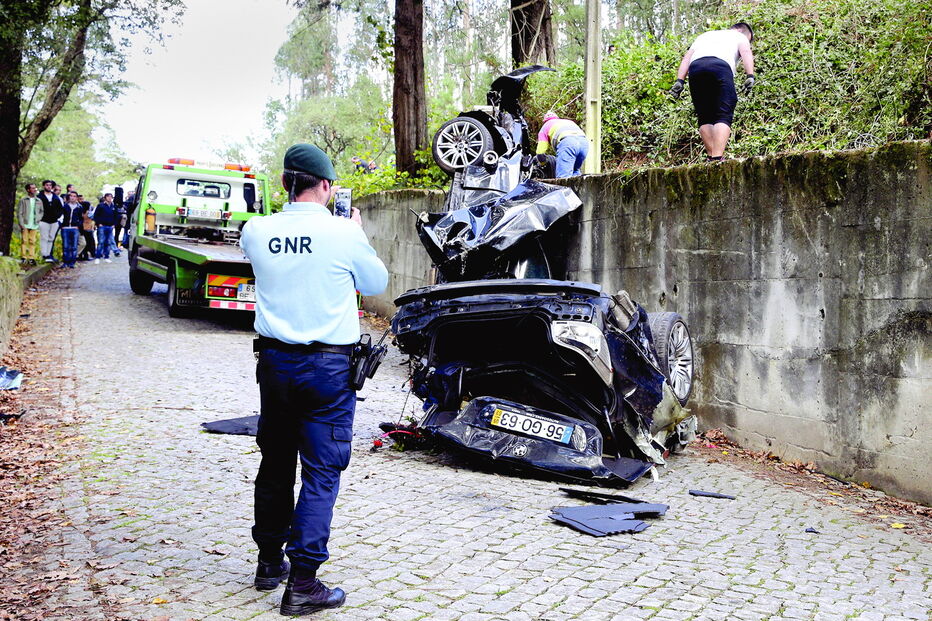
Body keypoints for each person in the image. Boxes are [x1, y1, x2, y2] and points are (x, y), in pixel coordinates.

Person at [239, 143, 388, 616]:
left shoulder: (255, 231)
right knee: (322, 470)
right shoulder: (343, 233)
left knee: (277, 461)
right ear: (326, 187)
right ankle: (303, 582)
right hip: (328, 370)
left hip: (276, 366)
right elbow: (377, 284)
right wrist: (356, 233)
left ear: (284, 183)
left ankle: (268, 563)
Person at [670, 22, 756, 162]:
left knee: (705, 115)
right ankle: (717, 159)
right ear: (741, 31)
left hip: (695, 68)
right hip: (719, 67)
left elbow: (686, 58)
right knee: (723, 112)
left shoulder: (704, 36)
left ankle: (712, 158)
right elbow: (746, 52)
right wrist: (750, 75)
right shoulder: (739, 36)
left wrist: (680, 80)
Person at [536, 111, 589, 177]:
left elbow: (540, 152)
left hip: (568, 143)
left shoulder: (545, 127)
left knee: (563, 177)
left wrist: (543, 163)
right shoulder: (567, 121)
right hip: (584, 143)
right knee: (575, 172)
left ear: (544, 121)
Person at [16, 183, 43, 265]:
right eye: (32, 188)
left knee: (33, 241)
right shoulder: (23, 200)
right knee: (24, 240)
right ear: (28, 190)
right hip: (25, 223)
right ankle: (24, 257)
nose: (34, 189)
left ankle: (32, 258)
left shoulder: (38, 200)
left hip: (34, 224)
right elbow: (19, 213)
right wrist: (21, 223)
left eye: (35, 188)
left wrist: (39, 219)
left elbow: (41, 211)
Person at [37, 179, 63, 263]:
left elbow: (60, 209)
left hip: (54, 221)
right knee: (44, 237)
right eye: (47, 185)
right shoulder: (39, 197)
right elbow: (36, 209)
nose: (49, 186)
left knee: (51, 238)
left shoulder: (55, 197)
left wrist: (57, 216)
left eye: (50, 185)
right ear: (44, 186)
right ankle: (44, 254)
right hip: (43, 220)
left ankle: (48, 254)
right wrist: (39, 218)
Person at [60, 191, 83, 269]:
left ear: (76, 198)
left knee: (74, 246)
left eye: (74, 196)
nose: (72, 197)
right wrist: (62, 225)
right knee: (66, 246)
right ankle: (65, 262)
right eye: (71, 196)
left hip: (74, 228)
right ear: (69, 197)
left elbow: (81, 218)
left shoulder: (79, 207)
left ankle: (72, 262)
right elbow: (60, 216)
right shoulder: (64, 206)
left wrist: (77, 225)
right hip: (65, 228)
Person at [93, 193, 118, 263]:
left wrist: (114, 224)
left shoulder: (114, 206)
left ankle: (106, 256)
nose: (110, 198)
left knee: (108, 242)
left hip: (110, 226)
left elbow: (116, 216)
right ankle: (98, 256)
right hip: (102, 226)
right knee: (101, 241)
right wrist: (98, 223)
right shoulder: (101, 205)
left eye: (111, 197)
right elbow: (96, 215)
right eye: (108, 197)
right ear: (105, 198)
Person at [77, 194, 96, 261]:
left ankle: (82, 255)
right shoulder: (88, 213)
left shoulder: (80, 212)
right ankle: (86, 256)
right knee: (88, 243)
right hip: (88, 228)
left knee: (84, 243)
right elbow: (93, 217)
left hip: (82, 228)